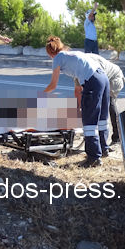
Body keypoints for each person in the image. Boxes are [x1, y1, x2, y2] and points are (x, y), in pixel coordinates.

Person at [44, 36, 110, 167]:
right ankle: (104, 149)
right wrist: (78, 105)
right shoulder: (73, 54)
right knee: (102, 118)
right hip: (103, 77)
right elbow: (78, 87)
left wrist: (41, 95)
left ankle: (94, 158)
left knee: (89, 122)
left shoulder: (58, 58)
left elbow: (53, 85)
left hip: (92, 81)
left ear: (51, 52)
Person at [73, 53, 125, 144]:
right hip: (102, 77)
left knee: (109, 102)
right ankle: (93, 133)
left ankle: (117, 136)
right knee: (92, 102)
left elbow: (100, 82)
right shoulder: (77, 67)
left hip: (114, 77)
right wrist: (80, 109)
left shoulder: (91, 65)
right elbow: (78, 91)